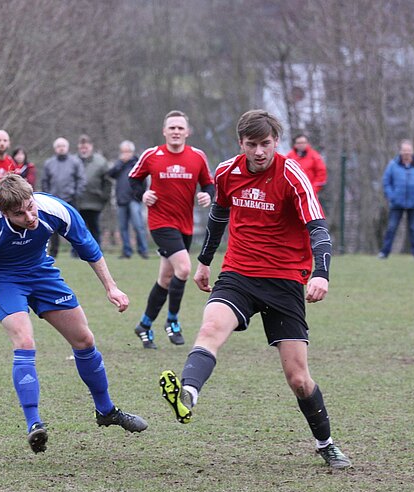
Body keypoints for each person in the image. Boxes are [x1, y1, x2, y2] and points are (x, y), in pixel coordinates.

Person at [158, 109, 352, 470]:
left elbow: (319, 230)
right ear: (241, 144)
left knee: (298, 378)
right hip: (239, 274)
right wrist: (203, 261)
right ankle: (188, 393)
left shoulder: (292, 174)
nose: (259, 151)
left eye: (265, 144)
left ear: (275, 142)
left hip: (284, 281)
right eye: (252, 145)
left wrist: (321, 273)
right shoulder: (226, 172)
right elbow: (218, 217)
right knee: (210, 329)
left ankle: (325, 443)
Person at [0, 174, 147, 453]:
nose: (29, 216)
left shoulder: (54, 210)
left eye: (30, 206)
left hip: (42, 274)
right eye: (19, 213)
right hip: (3, 280)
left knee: (84, 340)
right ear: (4, 213)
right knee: (24, 342)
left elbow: (87, 246)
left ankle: (106, 410)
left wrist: (111, 287)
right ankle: (34, 424)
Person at [128, 110, 214, 349]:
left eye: (180, 128)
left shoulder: (197, 156)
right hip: (160, 223)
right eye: (172, 128)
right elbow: (133, 179)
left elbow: (209, 182)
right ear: (164, 131)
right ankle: (172, 321)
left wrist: (207, 194)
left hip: (184, 225)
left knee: (166, 278)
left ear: (187, 132)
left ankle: (144, 325)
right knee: (184, 268)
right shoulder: (151, 155)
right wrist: (142, 193)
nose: (176, 132)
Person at [378, 139, 414, 260]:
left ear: (412, 152)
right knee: (391, 228)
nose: (406, 153)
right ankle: (384, 253)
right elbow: (386, 181)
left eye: (408, 151)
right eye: (404, 151)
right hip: (397, 203)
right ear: (400, 151)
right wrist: (391, 196)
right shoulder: (393, 165)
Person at [41, 137, 86, 258]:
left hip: (71, 200)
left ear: (67, 147)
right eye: (58, 146)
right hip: (53, 201)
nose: (61, 148)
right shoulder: (49, 163)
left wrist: (76, 193)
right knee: (53, 228)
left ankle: (77, 252)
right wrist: (47, 195)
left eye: (63, 146)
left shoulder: (75, 162)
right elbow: (45, 181)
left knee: (74, 227)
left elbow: (81, 179)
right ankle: (53, 252)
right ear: (55, 148)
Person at [108, 140, 149, 260]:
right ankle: (126, 251)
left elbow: (144, 182)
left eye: (127, 151)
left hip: (134, 200)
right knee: (123, 228)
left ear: (132, 152)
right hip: (121, 200)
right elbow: (110, 174)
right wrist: (120, 163)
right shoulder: (119, 165)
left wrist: (139, 196)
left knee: (138, 226)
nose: (125, 154)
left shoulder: (138, 164)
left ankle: (143, 250)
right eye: (123, 152)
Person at [76, 134, 112, 248]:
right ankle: (77, 251)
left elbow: (107, 181)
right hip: (77, 202)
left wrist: (104, 196)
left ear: (91, 147)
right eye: (82, 147)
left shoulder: (101, 162)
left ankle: (97, 250)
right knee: (78, 228)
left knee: (94, 227)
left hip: (95, 202)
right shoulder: (73, 161)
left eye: (86, 147)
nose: (84, 149)